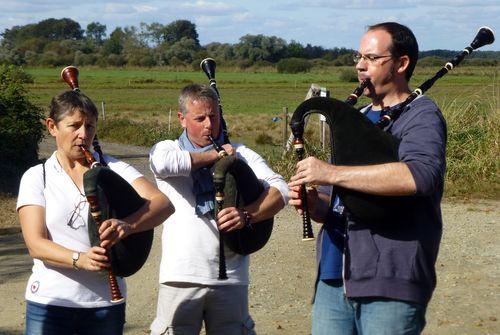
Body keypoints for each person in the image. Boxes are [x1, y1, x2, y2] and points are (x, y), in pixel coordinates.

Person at [289, 22, 446, 334]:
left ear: (402, 64)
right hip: (334, 277)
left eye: (373, 58)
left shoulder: (421, 115)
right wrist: (314, 203)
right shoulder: (357, 118)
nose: (361, 65)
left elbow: (420, 175)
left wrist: (330, 171)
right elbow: (337, 200)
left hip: (390, 279)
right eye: (358, 57)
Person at [17, 90, 174, 334]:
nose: (84, 134)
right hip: (50, 302)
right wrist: (80, 259)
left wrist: (129, 225)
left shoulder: (112, 167)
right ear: (52, 127)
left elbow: (163, 204)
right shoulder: (37, 176)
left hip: (105, 304)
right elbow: (35, 244)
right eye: (75, 125)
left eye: (90, 126)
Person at [149, 83, 288, 335]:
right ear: (181, 119)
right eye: (199, 118)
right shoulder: (169, 148)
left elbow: (280, 190)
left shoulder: (242, 153)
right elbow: (162, 163)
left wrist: (248, 215)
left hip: (231, 277)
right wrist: (216, 157)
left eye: (213, 117)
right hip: (180, 275)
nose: (208, 125)